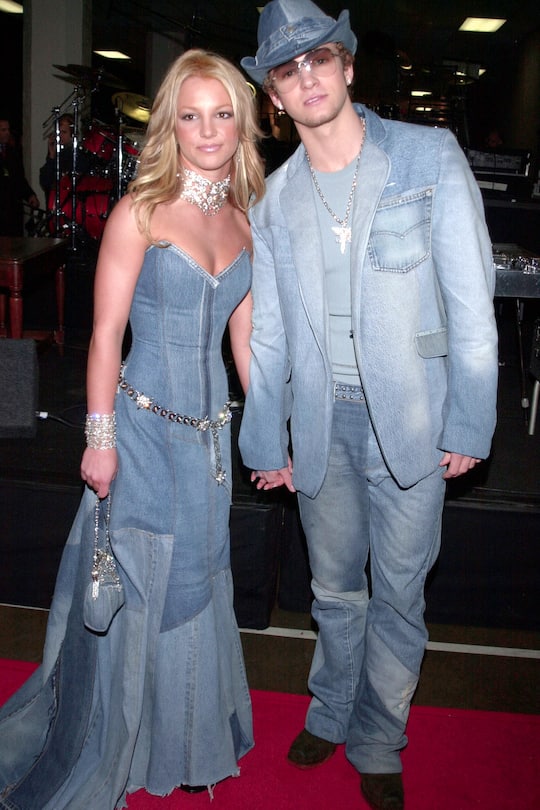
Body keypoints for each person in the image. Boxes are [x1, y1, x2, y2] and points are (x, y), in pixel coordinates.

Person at [238, 2, 498, 809]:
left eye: (318, 59)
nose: (306, 77)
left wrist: (471, 417)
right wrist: (263, 439)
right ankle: (329, 707)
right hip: (322, 424)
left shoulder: (427, 155)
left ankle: (380, 738)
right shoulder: (273, 201)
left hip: (416, 423)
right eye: (287, 69)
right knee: (334, 591)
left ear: (347, 66)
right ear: (274, 98)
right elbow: (271, 337)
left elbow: (471, 298)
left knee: (399, 593)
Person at [0, 49, 265, 809]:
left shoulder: (245, 218)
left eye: (222, 114)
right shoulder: (140, 211)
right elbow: (104, 335)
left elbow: (244, 345)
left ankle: (176, 743)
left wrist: (268, 438)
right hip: (144, 436)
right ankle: (110, 749)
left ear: (240, 121)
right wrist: (100, 439)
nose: (208, 130)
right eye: (191, 114)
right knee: (147, 587)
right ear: (171, 125)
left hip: (210, 444)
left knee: (196, 585)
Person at [0, 116, 40, 236]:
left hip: (11, 210)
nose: (7, 133)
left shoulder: (12, 152)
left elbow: (19, 179)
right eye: (3, 130)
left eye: (8, 130)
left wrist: (30, 195)